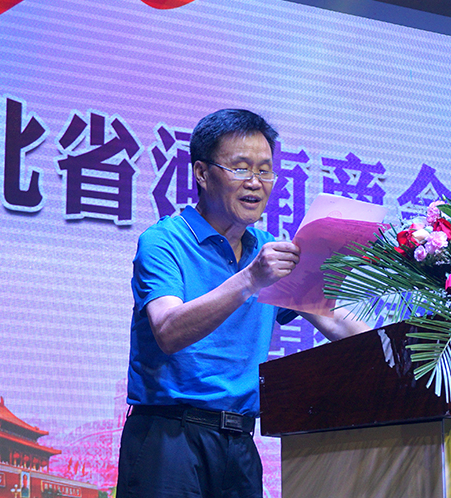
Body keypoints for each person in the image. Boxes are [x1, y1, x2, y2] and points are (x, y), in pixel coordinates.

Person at [116, 108, 368, 498]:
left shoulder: (266, 248)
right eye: (240, 168)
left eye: (265, 171)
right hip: (169, 439)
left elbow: (334, 320)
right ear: (202, 173)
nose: (255, 183)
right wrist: (250, 279)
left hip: (240, 444)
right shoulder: (164, 241)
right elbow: (167, 330)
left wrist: (408, 351)